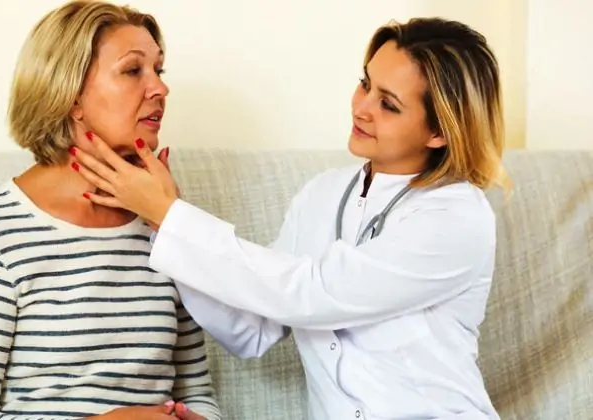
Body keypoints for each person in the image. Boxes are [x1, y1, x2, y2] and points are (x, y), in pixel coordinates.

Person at [69, 17, 509, 420]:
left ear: (439, 131)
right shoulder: (323, 194)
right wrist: (164, 222)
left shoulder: (457, 216)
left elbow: (312, 294)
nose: (362, 108)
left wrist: (172, 215)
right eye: (365, 84)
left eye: (388, 104)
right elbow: (252, 330)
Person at [0, 2, 220, 419]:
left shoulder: (166, 222)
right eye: (133, 70)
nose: (160, 88)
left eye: (159, 70)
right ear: (69, 95)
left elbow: (197, 393)